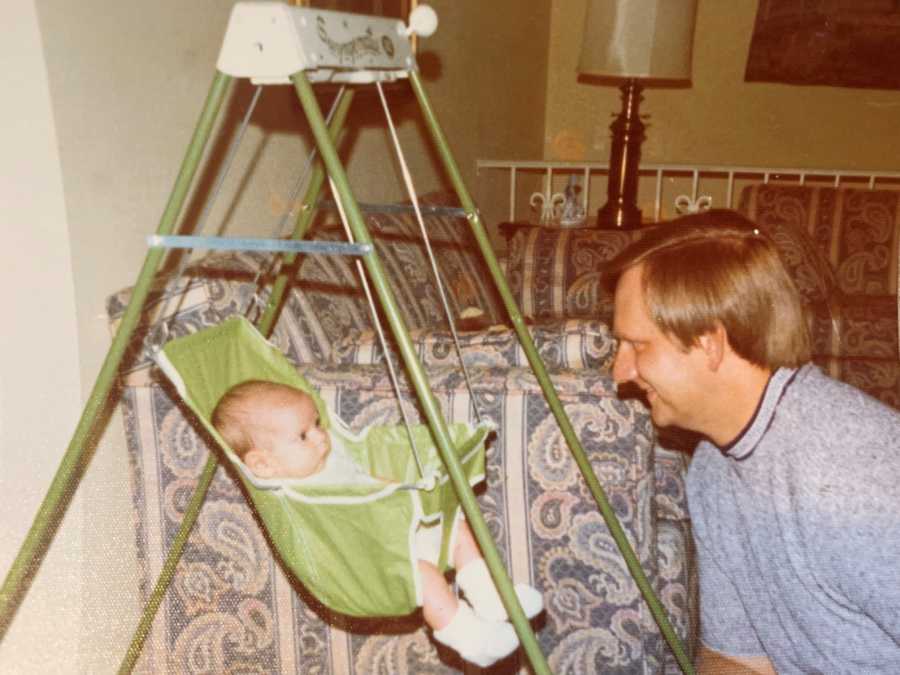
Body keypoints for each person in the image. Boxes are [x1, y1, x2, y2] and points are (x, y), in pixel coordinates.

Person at [607, 210, 900, 674]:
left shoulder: (853, 476)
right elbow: (736, 658)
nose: (619, 372)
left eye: (637, 345)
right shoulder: (713, 469)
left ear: (709, 342)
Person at [211, 379, 543, 668]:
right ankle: (470, 638)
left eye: (316, 423)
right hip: (373, 562)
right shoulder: (294, 493)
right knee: (428, 578)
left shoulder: (328, 457)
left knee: (456, 524)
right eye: (303, 435)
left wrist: (394, 487)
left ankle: (489, 596)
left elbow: (367, 479)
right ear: (264, 465)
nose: (320, 437)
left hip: (396, 530)